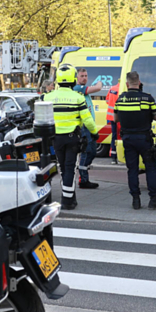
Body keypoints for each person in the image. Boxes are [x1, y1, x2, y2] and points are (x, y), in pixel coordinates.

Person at [43, 64, 98, 210]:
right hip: (72, 138)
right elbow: (87, 120)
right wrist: (94, 132)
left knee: (62, 168)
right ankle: (67, 200)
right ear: (73, 79)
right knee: (70, 168)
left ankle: (69, 196)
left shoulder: (47, 97)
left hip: (56, 139)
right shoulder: (78, 98)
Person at [115, 71, 156, 211]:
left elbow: (115, 119)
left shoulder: (120, 99)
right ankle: (154, 199)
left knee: (132, 170)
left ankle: (136, 200)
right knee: (150, 168)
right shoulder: (147, 99)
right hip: (144, 139)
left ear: (127, 84)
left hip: (127, 139)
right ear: (139, 82)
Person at [73, 68, 103, 189]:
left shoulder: (82, 89)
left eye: (86, 76)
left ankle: (84, 174)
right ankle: (83, 179)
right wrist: (99, 82)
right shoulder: (77, 88)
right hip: (84, 126)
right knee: (86, 151)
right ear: (77, 77)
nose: (84, 78)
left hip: (89, 125)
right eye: (82, 76)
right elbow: (98, 88)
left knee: (92, 151)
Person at [105, 80, 120, 164]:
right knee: (121, 136)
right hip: (119, 117)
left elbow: (107, 100)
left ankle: (113, 157)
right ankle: (120, 156)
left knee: (114, 136)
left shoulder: (112, 88)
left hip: (111, 117)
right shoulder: (122, 90)